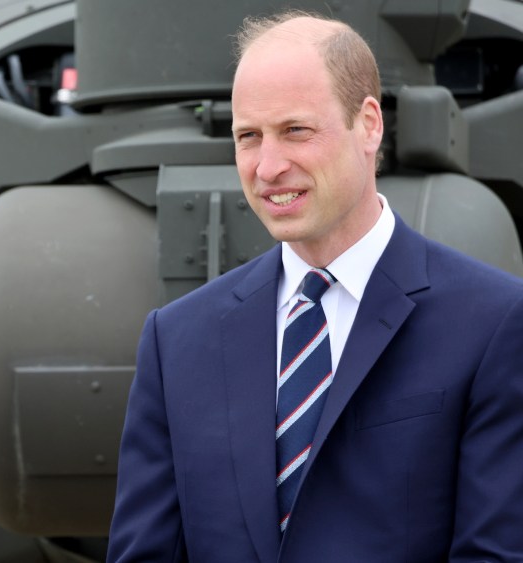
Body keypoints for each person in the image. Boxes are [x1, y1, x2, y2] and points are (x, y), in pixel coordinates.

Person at [107, 11, 523, 562]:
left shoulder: (493, 323)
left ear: (369, 124)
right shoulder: (177, 340)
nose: (268, 166)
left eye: (295, 131)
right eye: (248, 137)